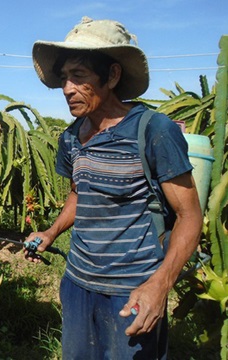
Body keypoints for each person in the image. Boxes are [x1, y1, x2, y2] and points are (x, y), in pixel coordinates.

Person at [25, 17, 203, 359]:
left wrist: (159, 286)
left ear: (112, 76)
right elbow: (80, 195)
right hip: (77, 285)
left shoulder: (154, 131)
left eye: (79, 76)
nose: (67, 88)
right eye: (64, 78)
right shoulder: (71, 136)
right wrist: (51, 232)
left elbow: (189, 215)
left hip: (132, 290)